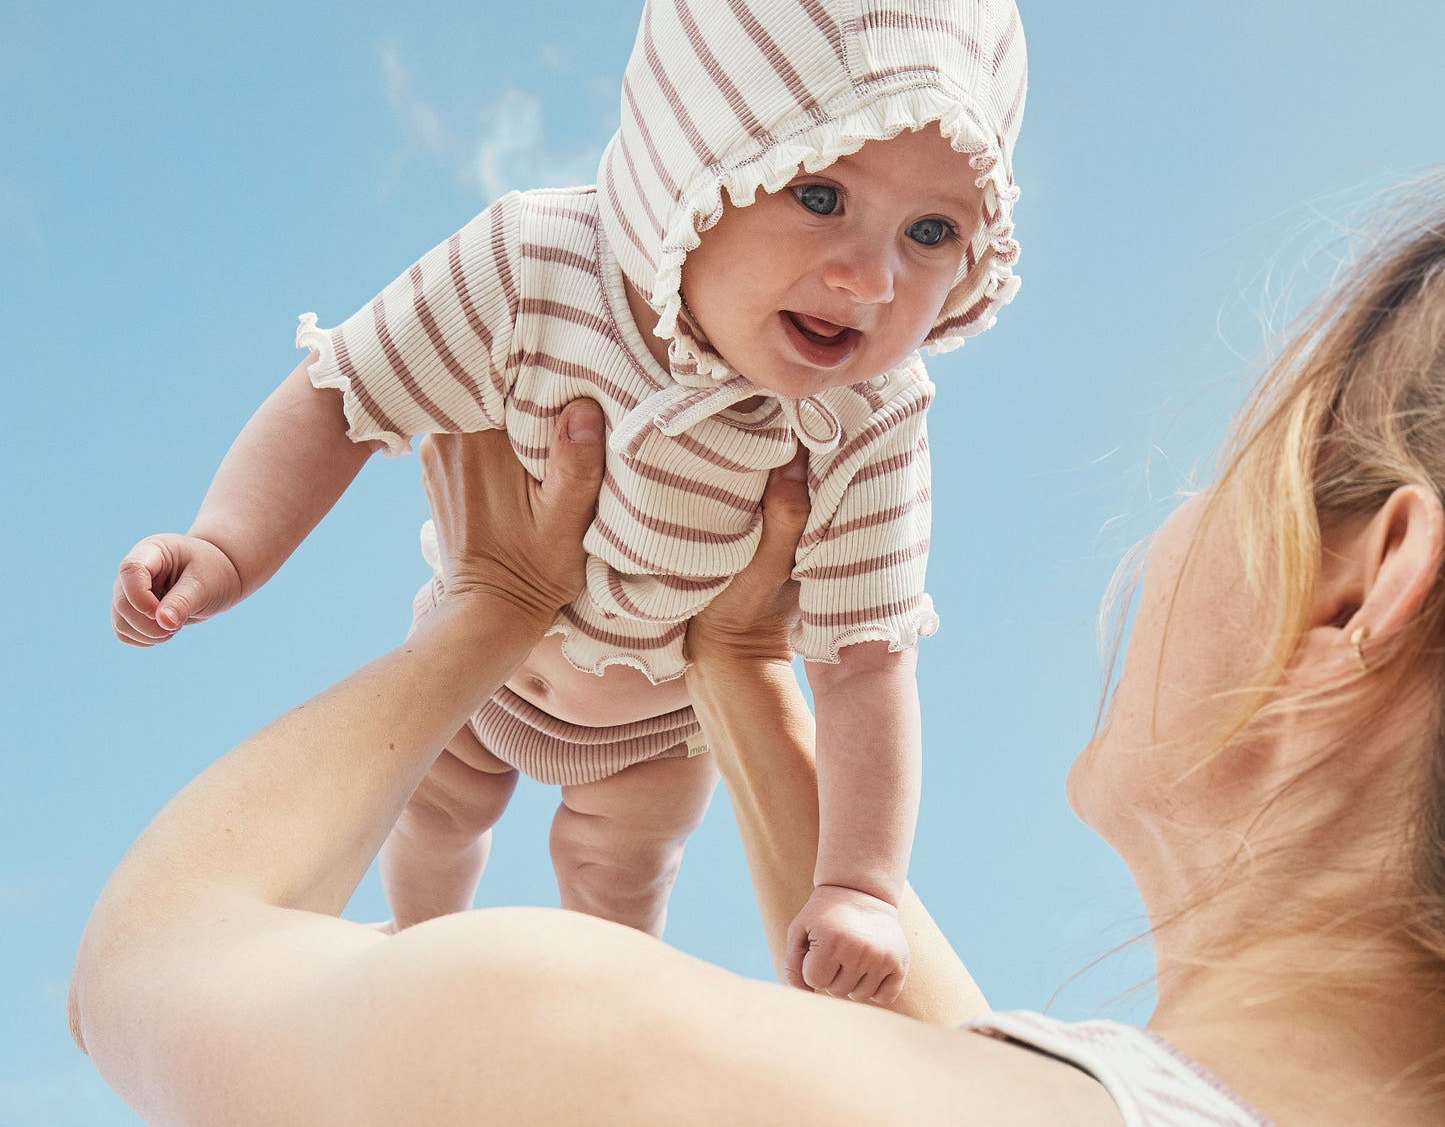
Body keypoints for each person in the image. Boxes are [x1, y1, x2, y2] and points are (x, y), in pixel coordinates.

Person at [75, 192, 1445, 1124]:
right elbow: (937, 1056)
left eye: (1227, 468)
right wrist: (738, 660)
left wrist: (496, 601)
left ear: (1366, 584)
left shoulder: (569, 1039)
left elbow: (143, 966)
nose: (1174, 521)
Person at [108, 0, 1028, 1001]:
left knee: (617, 884)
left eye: (930, 233)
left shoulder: (868, 417)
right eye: (818, 193)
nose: (868, 278)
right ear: (696, 156)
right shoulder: (534, 266)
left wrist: (857, 880)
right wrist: (227, 545)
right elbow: (343, 394)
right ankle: (413, 961)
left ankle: (596, 1024)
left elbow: (862, 658)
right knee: (431, 816)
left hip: (660, 728)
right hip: (485, 678)